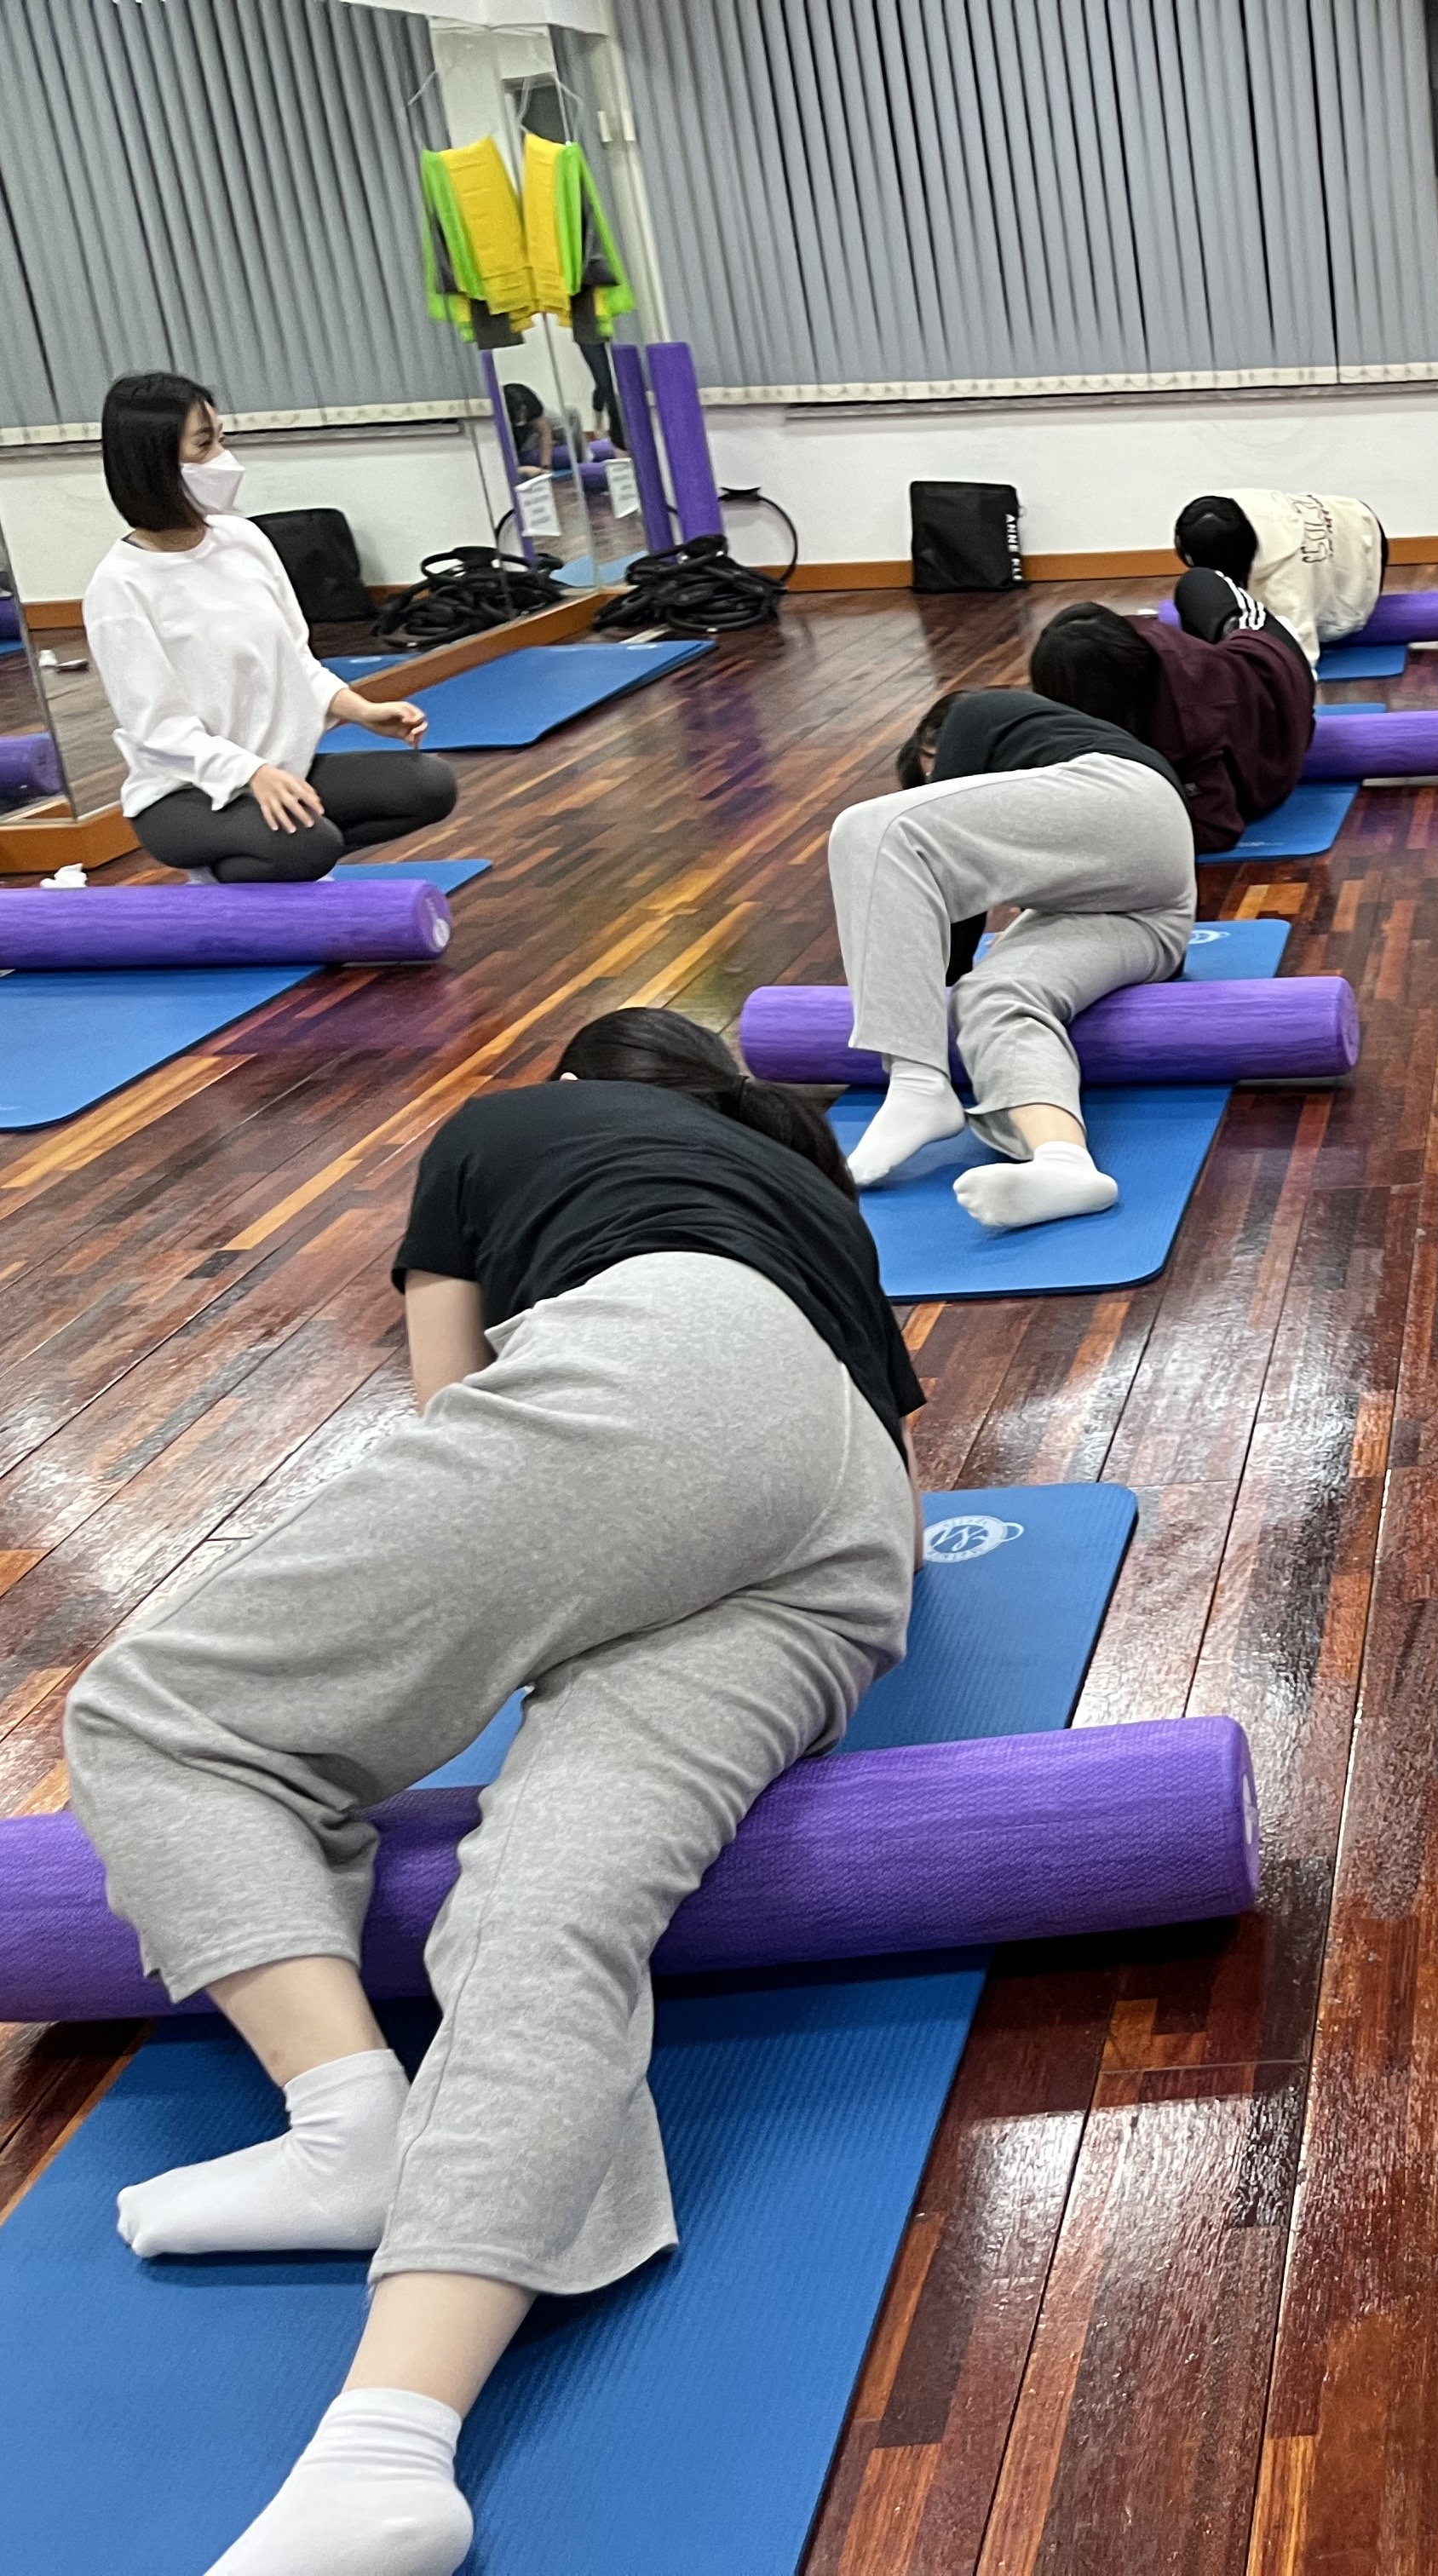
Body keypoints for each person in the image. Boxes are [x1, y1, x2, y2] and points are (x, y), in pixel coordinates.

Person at [62, 1007, 925, 2576]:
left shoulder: (501, 1125)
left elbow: (448, 1400)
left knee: (161, 1714)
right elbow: (856, 1426)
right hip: (862, 1529)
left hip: (673, 1376)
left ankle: (349, 2119)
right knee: (546, 1906)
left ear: (582, 1078)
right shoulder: (805, 1184)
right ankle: (388, 2450)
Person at [83, 371, 456, 883]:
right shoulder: (119, 586)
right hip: (185, 796)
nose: (223, 457)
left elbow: (297, 661)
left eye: (221, 438)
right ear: (154, 463)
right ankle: (233, 873)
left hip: (283, 769)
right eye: (204, 444)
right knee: (308, 845)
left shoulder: (245, 540)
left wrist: (363, 711)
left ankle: (277, 860)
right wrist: (252, 773)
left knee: (429, 785)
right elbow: (160, 730)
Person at [851, 685, 1199, 1230]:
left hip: (1132, 807)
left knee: (872, 828)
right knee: (992, 996)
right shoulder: (1051, 840)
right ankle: (1064, 1164)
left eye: (932, 772)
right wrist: (953, 990)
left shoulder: (977, 712)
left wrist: (934, 994)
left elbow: (947, 893)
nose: (938, 789)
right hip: (1154, 920)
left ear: (934, 743)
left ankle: (916, 1083)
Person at [1023, 573, 1314, 854]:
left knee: (1199, 582)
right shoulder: (1117, 649)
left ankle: (1248, 627)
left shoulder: (1185, 729)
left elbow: (1217, 831)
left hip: (1276, 670)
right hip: (1205, 675)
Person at [1172, 489, 1388, 665]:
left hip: (1365, 547)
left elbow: (1299, 661)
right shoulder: (1221, 508)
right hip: (1346, 510)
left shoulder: (1286, 586)